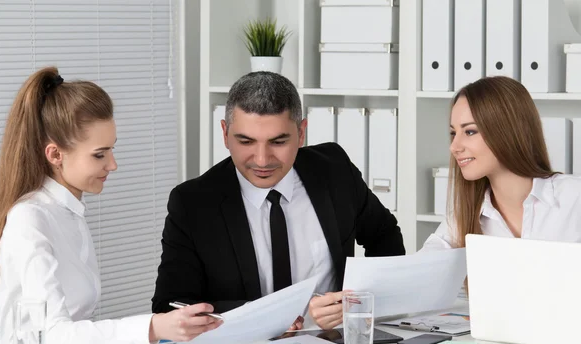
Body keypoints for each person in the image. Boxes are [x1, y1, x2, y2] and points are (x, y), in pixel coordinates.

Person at [0, 67, 222, 344]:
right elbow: (53, 336)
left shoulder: (68, 212)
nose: (112, 165)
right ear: (55, 155)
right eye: (100, 154)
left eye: (111, 150)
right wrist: (153, 327)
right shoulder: (30, 219)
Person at [152, 71, 405, 330]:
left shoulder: (334, 170)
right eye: (246, 141)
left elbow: (384, 235)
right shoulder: (193, 203)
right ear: (225, 133)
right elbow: (170, 305)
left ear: (301, 132)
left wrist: (354, 301)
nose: (262, 160)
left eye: (278, 141)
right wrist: (266, 316)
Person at [421, 75, 581, 344]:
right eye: (453, 133)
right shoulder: (467, 214)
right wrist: (359, 297)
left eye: (470, 132)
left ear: (506, 130)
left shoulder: (577, 197)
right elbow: (422, 271)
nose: (455, 146)